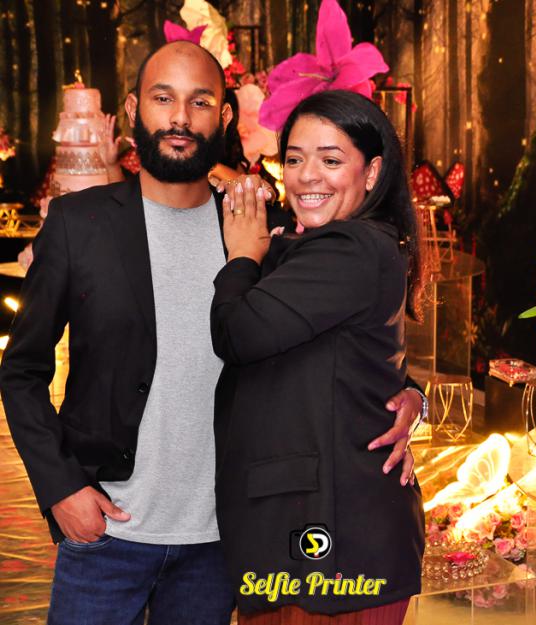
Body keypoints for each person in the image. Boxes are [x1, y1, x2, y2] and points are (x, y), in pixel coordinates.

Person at [0, 42, 424, 625]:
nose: (180, 117)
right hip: (106, 531)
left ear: (224, 116)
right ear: (133, 110)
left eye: (199, 102)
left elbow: (347, 335)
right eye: (163, 98)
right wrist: (60, 489)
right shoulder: (79, 224)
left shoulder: (265, 229)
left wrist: (410, 395)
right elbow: (22, 370)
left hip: (224, 542)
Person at [211, 90, 426, 624]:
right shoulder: (320, 243)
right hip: (310, 529)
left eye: (331, 160)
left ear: (372, 172)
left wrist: (242, 255)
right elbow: (363, 356)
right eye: (294, 159)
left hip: (332, 539)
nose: (307, 176)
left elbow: (239, 334)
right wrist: (414, 396)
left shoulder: (351, 247)